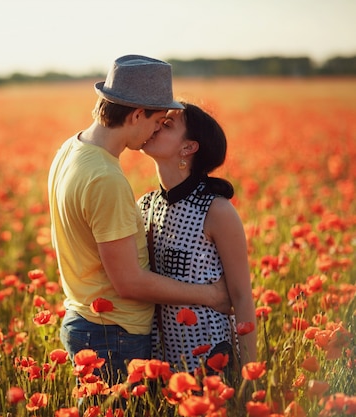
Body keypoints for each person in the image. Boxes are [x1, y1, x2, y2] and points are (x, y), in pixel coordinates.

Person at [47, 55, 232, 388]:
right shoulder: (105, 178)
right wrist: (210, 296)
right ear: (135, 115)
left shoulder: (70, 150)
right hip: (112, 333)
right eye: (158, 120)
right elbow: (129, 283)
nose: (156, 130)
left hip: (88, 321)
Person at [138, 102, 257, 379]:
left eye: (166, 125)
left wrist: (250, 376)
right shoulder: (144, 205)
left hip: (211, 361)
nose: (155, 126)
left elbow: (241, 297)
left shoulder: (217, 211)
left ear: (188, 148)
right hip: (159, 362)